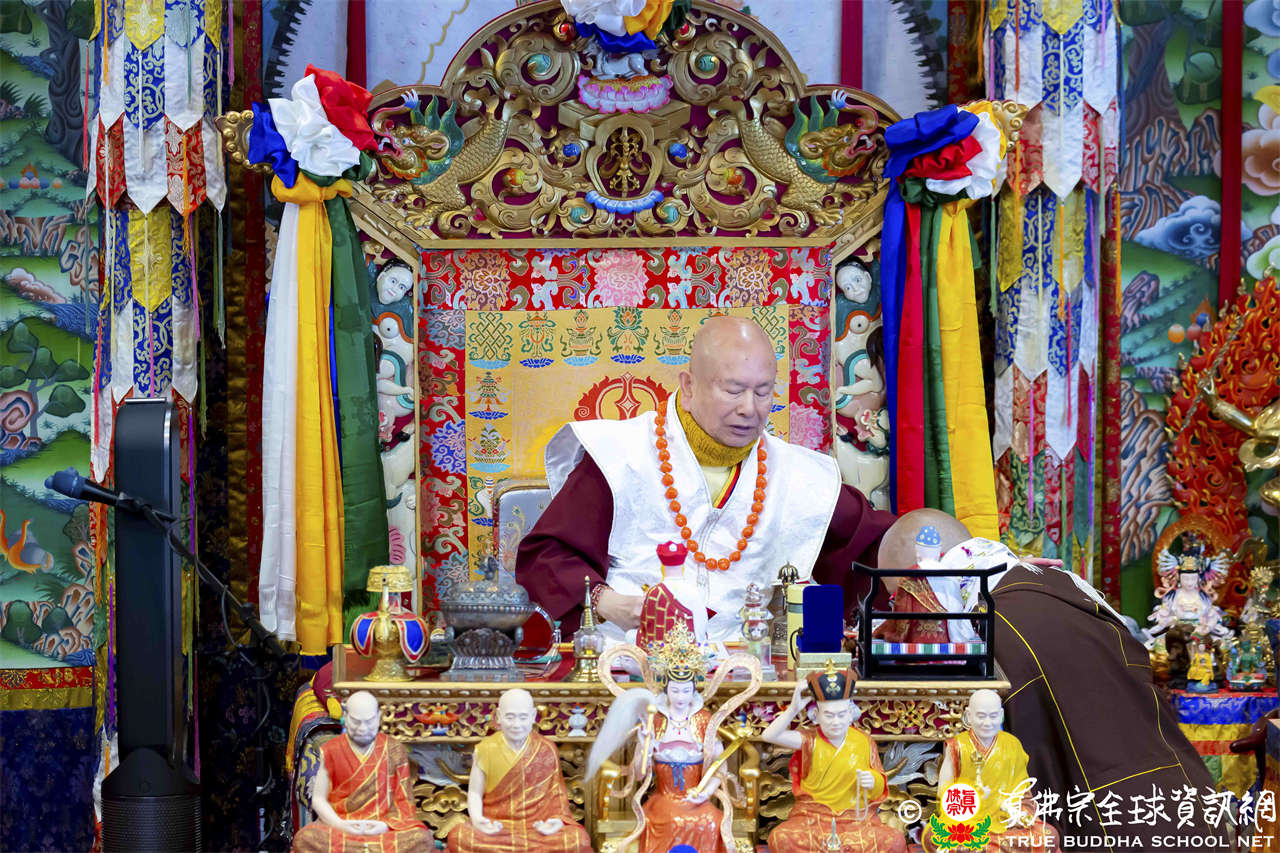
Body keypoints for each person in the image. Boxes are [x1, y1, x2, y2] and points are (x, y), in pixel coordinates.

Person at [516, 316, 896, 643]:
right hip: (629, 661)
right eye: (733, 390)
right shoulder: (620, 455)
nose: (749, 409)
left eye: (763, 392)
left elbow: (874, 547)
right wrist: (609, 603)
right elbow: (548, 558)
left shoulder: (798, 474)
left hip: (749, 665)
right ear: (688, 387)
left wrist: (921, 548)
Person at [587, 622, 761, 853]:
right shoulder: (655, 719)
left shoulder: (703, 719)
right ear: (666, 689)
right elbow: (640, 773)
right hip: (664, 798)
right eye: (675, 690)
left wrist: (706, 792)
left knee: (710, 821)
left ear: (694, 690)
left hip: (697, 799)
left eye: (686, 691)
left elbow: (719, 766)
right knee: (668, 821)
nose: (680, 697)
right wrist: (644, 743)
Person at [761, 664, 907, 852]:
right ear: (817, 716)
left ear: (850, 714)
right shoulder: (810, 740)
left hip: (855, 820)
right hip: (813, 818)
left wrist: (873, 781)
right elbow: (769, 736)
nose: (835, 722)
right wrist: (793, 709)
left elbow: (879, 784)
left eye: (841, 715)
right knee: (780, 837)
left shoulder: (863, 741)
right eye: (829, 715)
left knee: (894, 840)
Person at [445, 689, 591, 853]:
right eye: (510, 717)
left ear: (533, 716)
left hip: (537, 828)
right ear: (499, 716)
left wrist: (555, 822)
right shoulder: (485, 749)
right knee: (458, 836)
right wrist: (478, 820)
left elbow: (557, 798)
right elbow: (474, 792)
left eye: (523, 717)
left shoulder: (546, 749)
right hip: (498, 826)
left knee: (579, 839)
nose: (516, 725)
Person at [291, 691, 432, 853]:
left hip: (382, 828)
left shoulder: (394, 749)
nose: (363, 728)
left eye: (369, 722)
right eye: (356, 722)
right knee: (304, 839)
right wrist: (340, 824)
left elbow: (404, 802)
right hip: (343, 827)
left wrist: (385, 826)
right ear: (346, 716)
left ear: (378, 717)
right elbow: (318, 799)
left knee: (422, 839)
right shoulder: (330, 750)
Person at [921, 689, 1058, 852]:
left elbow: (1023, 791)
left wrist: (1019, 812)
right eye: (981, 716)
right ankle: (995, 847)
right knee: (934, 836)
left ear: (1001, 715)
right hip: (967, 823)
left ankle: (986, 848)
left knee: (1048, 836)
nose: (987, 723)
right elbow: (944, 792)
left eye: (993, 716)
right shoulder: (957, 746)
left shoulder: (1012, 745)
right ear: (969, 716)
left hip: (1005, 822)